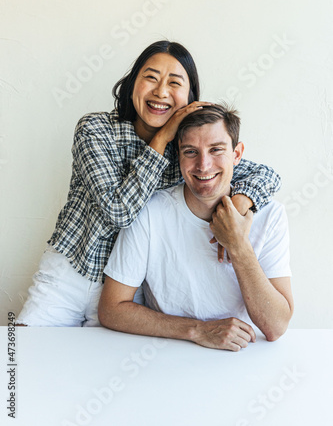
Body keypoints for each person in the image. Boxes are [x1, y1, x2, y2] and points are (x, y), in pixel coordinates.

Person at [17, 42, 281, 327]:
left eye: (174, 83)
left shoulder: (188, 151)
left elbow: (266, 175)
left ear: (190, 97)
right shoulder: (96, 129)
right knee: (22, 359)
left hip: (128, 291)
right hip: (70, 274)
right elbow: (118, 212)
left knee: (101, 369)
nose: (161, 91)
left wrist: (240, 205)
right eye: (151, 77)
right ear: (133, 84)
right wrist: (161, 138)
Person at [98, 104, 293, 350]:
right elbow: (111, 309)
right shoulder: (149, 211)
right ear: (177, 155)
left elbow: (276, 327)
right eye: (190, 151)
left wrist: (238, 244)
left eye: (216, 150)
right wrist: (197, 330)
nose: (203, 165)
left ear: (237, 154)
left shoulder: (271, 215)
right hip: (167, 353)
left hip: (244, 354)